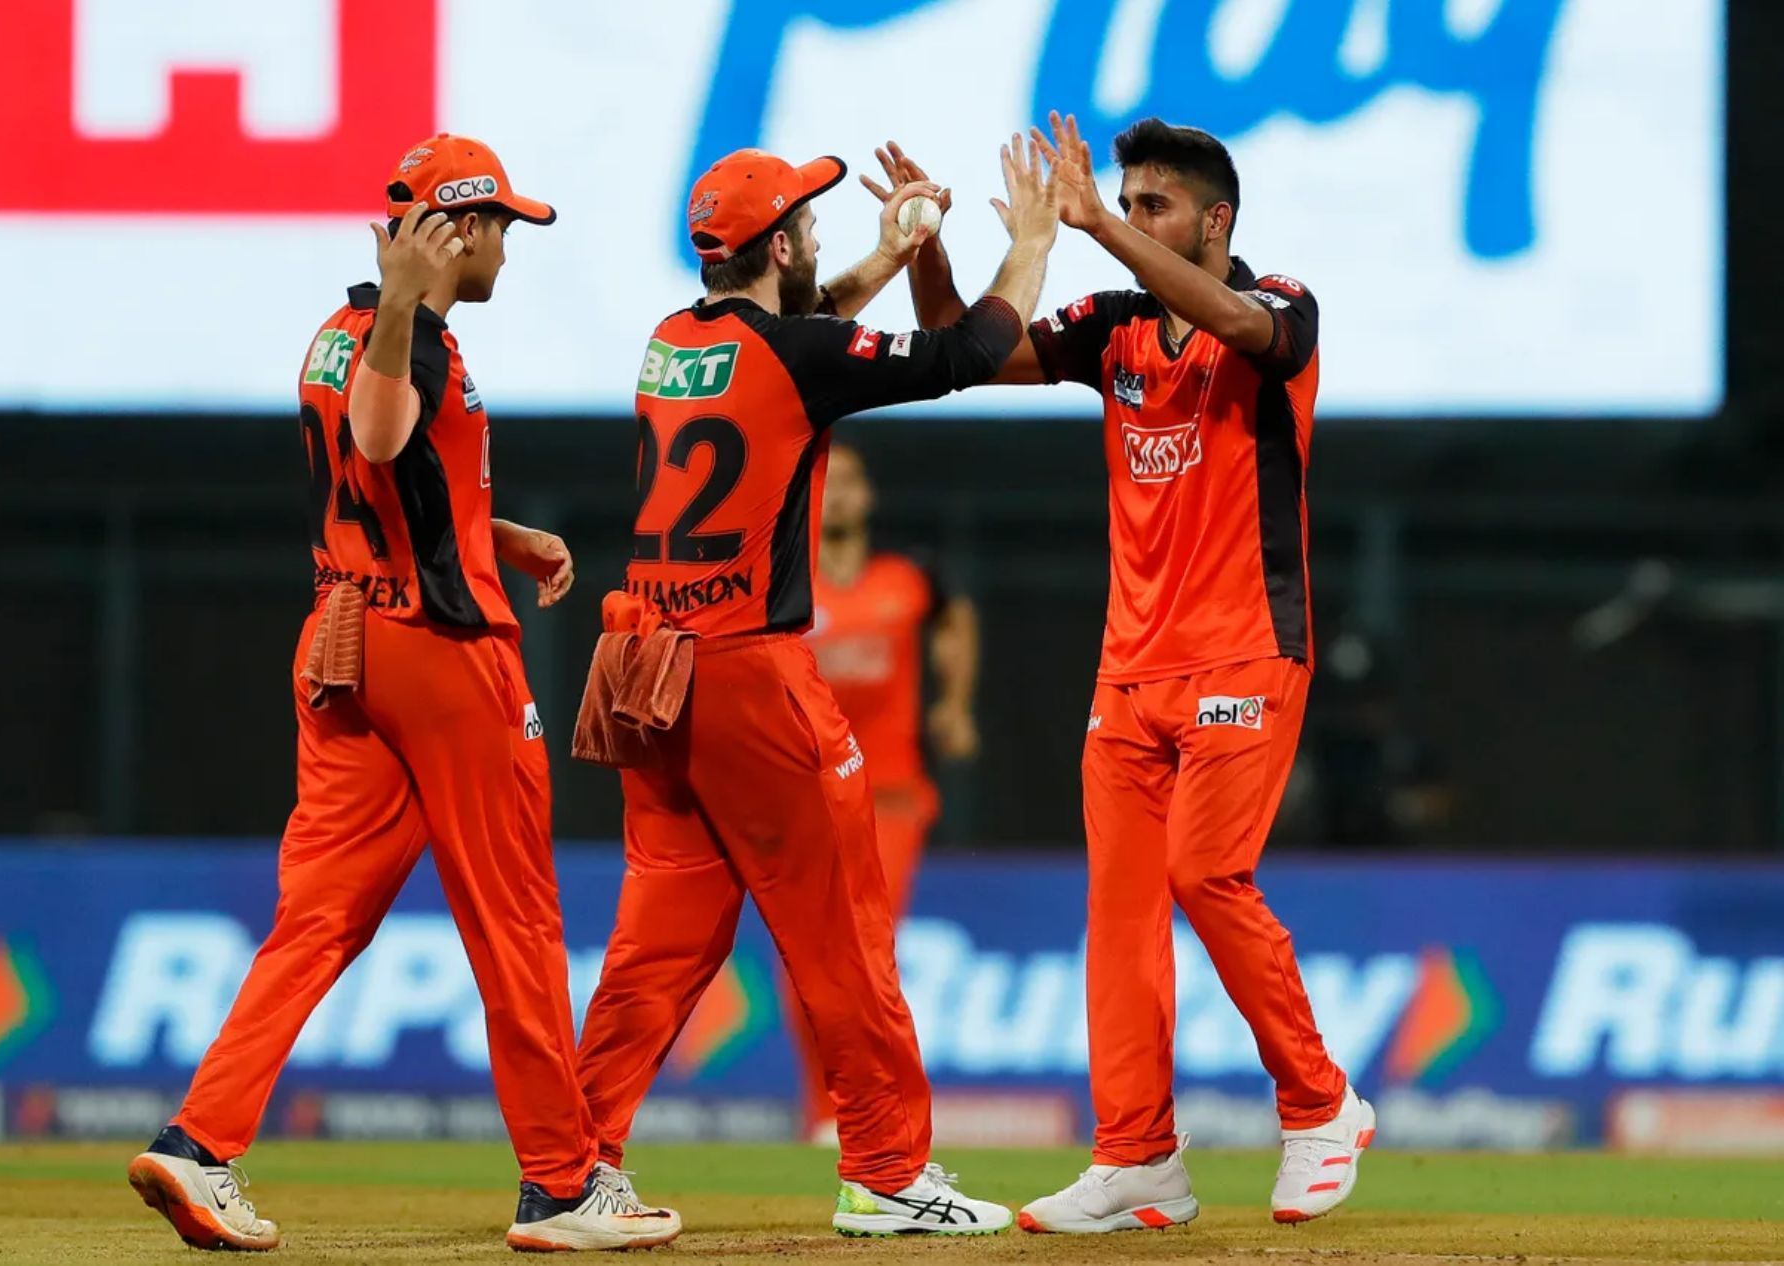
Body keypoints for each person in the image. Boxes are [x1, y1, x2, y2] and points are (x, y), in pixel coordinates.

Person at [124, 134, 680, 1254]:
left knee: (316, 920)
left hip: (339, 638)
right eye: (500, 230)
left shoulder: (333, 336)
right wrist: (403, 304)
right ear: (456, 231)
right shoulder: (401, 333)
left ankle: (200, 1144)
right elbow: (383, 433)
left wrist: (493, 531)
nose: (507, 253)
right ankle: (562, 1185)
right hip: (440, 652)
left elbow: (378, 474)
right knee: (514, 915)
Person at [868, 114, 1374, 1233]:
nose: (1136, 219)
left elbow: (1240, 322)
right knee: (1121, 912)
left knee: (1206, 874)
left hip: (1246, 647)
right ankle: (1138, 1157)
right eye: (1127, 201)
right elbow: (959, 350)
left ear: (1215, 219)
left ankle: (1321, 1101)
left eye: (1155, 206)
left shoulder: (1280, 305)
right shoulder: (1111, 328)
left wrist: (1092, 223)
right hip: (1129, 672)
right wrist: (928, 250)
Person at [571, 139, 1056, 1237]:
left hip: (649, 669)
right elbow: (968, 352)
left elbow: (801, 338)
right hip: (749, 671)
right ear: (780, 244)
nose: (823, 245)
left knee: (656, 947)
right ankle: (885, 1172)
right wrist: (1028, 246)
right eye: (812, 230)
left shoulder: (669, 342)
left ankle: (569, 1167)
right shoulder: (797, 351)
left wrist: (886, 256)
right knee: (844, 932)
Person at [792, 440, 979, 1140]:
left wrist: (955, 703)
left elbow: (956, 619)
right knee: (810, 957)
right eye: (826, 482)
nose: (838, 495)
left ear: (868, 497)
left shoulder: (907, 578)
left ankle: (878, 1107)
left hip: (890, 794)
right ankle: (825, 1109)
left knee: (867, 949)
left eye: (849, 481)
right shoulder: (790, 579)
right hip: (804, 797)